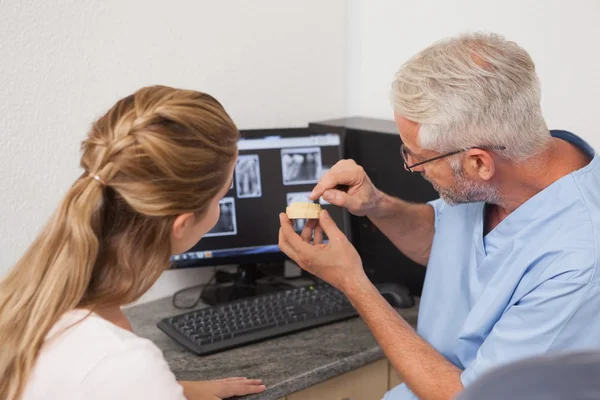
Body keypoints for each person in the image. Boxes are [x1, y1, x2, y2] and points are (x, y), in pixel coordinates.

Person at [277, 32, 600, 400]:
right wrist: (375, 205)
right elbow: (442, 241)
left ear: (479, 162)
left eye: (417, 156)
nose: (411, 166)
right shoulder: (509, 165)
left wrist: (353, 282)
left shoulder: (578, 262)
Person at [0, 86, 266, 400]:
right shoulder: (125, 365)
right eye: (222, 195)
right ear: (181, 226)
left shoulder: (20, 307)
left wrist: (175, 390)